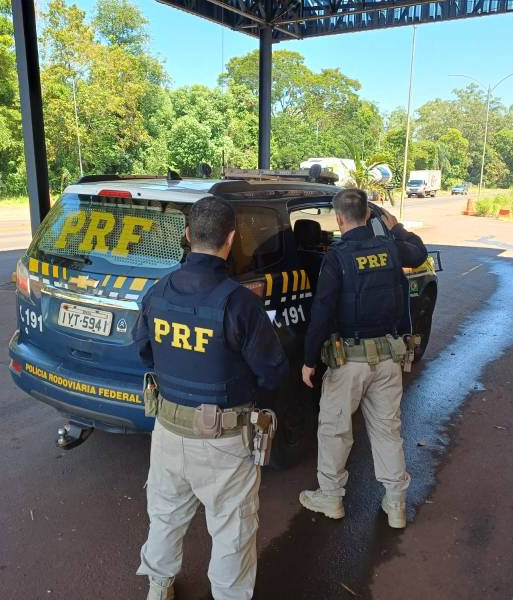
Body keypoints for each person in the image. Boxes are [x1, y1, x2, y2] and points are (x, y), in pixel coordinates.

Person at [134, 197, 289, 600]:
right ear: (231, 239)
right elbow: (273, 371)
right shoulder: (240, 303)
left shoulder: (157, 292)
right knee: (232, 528)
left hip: (167, 430)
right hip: (224, 440)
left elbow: (144, 351)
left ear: (188, 235)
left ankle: (158, 586)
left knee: (165, 515)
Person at [299, 188, 427, 528]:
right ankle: (396, 503)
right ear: (369, 216)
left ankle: (331, 497)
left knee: (335, 430)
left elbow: (322, 313)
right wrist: (397, 228)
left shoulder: (337, 258)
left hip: (348, 362)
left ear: (339, 219)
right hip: (388, 359)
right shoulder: (390, 248)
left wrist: (309, 360)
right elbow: (419, 253)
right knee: (387, 431)